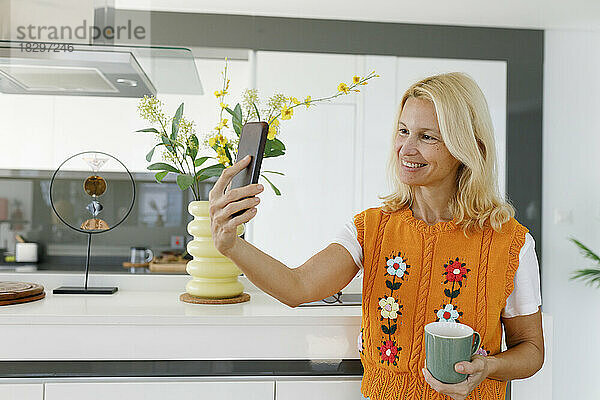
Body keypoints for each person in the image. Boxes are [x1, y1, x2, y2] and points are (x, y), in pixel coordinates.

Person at [208, 72, 544, 400]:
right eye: (403, 131)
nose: (405, 148)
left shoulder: (511, 242)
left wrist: (488, 367)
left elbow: (531, 349)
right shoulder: (370, 228)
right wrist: (231, 244)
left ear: (465, 148)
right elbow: (298, 287)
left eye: (427, 137)